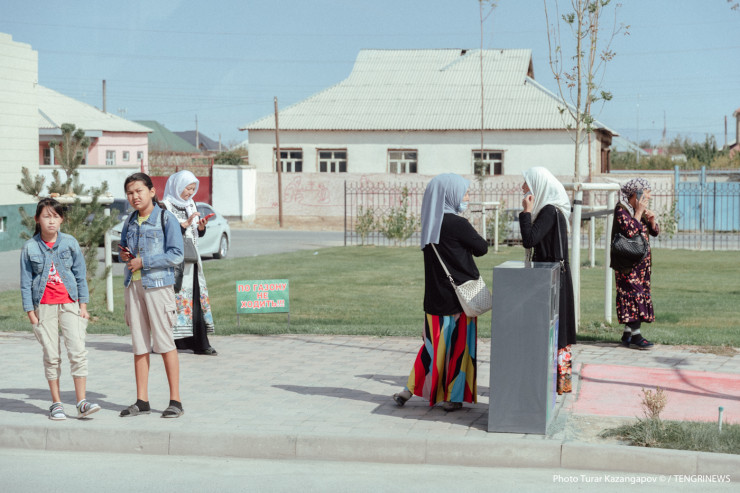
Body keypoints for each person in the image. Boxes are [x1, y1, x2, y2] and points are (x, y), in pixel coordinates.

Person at [393, 174, 488, 411]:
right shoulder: (458, 224)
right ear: (450, 195)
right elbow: (482, 248)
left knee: (431, 347)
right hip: (460, 297)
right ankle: (453, 398)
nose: (467, 197)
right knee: (458, 349)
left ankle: (408, 390)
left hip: (435, 297)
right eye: (464, 193)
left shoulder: (430, 223)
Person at [20, 197, 101, 420]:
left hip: (70, 304)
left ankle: (81, 403)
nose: (51, 221)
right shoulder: (30, 248)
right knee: (51, 356)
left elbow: (80, 275)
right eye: (46, 216)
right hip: (44, 307)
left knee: (77, 352)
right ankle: (56, 404)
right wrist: (31, 314)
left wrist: (83, 306)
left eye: (55, 217)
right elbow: (25, 283)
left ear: (62, 220)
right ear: (37, 219)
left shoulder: (70, 243)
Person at [118, 172, 185, 418]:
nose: (134, 196)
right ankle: (142, 401)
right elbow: (123, 251)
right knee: (139, 344)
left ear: (152, 191)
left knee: (165, 343)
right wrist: (124, 256)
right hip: (133, 287)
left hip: (158, 287)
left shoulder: (166, 219)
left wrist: (144, 261)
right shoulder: (129, 221)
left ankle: (175, 401)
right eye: (129, 193)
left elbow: (176, 254)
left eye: (139, 191)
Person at [518, 166, 576, 395]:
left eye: (526, 183)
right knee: (557, 327)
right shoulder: (553, 210)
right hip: (556, 275)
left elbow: (529, 240)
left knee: (554, 328)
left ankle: (553, 382)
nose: (523, 188)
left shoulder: (549, 211)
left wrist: (526, 212)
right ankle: (560, 382)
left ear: (538, 185)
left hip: (552, 279)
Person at [161, 170, 217, 355]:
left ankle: (200, 343)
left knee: (195, 301)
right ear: (177, 187)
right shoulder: (165, 206)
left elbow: (195, 234)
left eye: (193, 189)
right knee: (173, 301)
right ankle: (175, 341)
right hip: (174, 263)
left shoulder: (191, 204)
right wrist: (182, 226)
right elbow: (163, 231)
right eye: (187, 188)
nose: (190, 192)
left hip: (191, 261)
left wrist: (200, 228)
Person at [613, 178, 659, 349]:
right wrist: (638, 213)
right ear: (636, 194)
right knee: (633, 295)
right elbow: (631, 231)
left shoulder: (637, 210)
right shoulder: (622, 210)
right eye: (646, 193)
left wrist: (652, 221)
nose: (649, 197)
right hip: (627, 264)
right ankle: (636, 336)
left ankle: (627, 333)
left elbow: (652, 232)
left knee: (634, 295)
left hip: (641, 265)